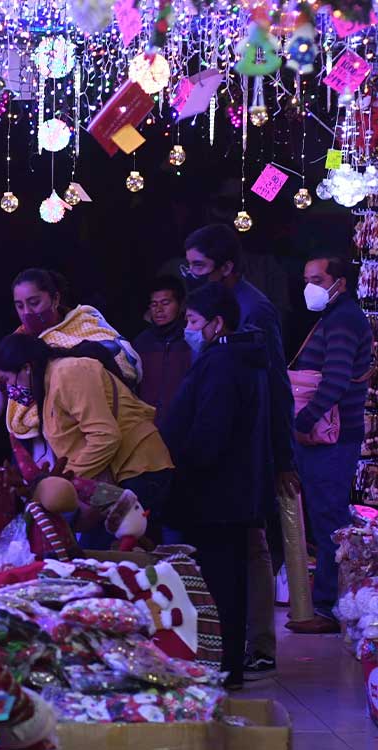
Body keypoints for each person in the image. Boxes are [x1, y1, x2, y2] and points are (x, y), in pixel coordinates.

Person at [182, 224, 297, 677]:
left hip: (246, 447)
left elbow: (276, 387)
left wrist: (282, 456)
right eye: (188, 265)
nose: (190, 274)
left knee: (250, 545)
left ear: (225, 268)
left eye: (199, 267)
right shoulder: (215, 307)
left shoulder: (255, 311)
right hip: (228, 446)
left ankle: (259, 644)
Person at [161, 284, 275, 689]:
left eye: (192, 321)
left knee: (218, 584)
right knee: (227, 580)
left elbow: (211, 430)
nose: (189, 329)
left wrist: (182, 465)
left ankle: (221, 667)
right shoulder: (238, 358)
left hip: (214, 494)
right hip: (230, 491)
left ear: (216, 323)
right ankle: (225, 665)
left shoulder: (222, 362)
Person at [0, 333, 174, 542]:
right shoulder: (49, 386)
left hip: (139, 472)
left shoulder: (67, 372)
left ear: (26, 368)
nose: (10, 390)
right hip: (117, 480)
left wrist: (61, 482)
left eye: (7, 380)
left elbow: (105, 436)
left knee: (111, 564)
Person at [0, 269, 141, 465]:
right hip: (37, 449)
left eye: (34, 303)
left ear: (55, 298)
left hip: (90, 442)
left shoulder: (87, 325)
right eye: (19, 305)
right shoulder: (18, 343)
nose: (26, 312)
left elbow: (128, 366)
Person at [287, 255, 373, 634]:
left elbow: (335, 379)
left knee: (329, 521)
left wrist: (302, 420)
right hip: (327, 436)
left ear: (339, 281)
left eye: (318, 279)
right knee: (327, 518)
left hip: (329, 438)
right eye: (307, 279)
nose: (311, 286)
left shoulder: (342, 319)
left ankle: (328, 608)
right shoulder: (337, 317)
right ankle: (329, 604)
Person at [132, 276, 192, 424]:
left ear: (181, 305)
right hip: (148, 424)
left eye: (165, 303)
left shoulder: (192, 339)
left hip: (184, 422)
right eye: (154, 304)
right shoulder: (141, 342)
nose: (159, 310)